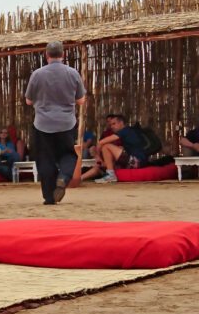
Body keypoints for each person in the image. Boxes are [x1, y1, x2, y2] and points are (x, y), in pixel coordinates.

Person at [23, 41, 87, 204]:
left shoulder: (37, 74)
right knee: (68, 154)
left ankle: (49, 197)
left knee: (45, 158)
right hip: (66, 123)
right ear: (63, 54)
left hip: (43, 123)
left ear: (46, 55)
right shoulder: (73, 73)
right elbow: (81, 100)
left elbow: (29, 101)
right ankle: (63, 178)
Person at [88, 114, 148, 183]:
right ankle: (81, 177)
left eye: (114, 124)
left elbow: (101, 142)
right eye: (110, 125)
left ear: (121, 123)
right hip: (137, 161)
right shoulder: (129, 132)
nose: (112, 127)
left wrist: (98, 157)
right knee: (103, 165)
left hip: (137, 161)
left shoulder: (125, 130)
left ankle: (110, 175)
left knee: (106, 146)